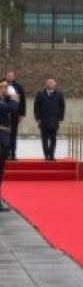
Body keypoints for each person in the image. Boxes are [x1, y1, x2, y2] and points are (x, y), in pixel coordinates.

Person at [0, 80, 21, 210]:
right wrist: (14, 99)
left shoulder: (3, 101)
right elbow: (12, 109)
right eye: (3, 88)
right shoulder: (2, 103)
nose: (5, 90)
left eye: (6, 88)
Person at [33, 78, 65, 161]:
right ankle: (46, 155)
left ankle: (52, 155)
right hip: (43, 120)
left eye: (52, 83)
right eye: (48, 83)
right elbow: (36, 107)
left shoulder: (59, 94)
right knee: (44, 139)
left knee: (53, 139)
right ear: (46, 84)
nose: (50, 84)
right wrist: (38, 118)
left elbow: (62, 107)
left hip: (54, 120)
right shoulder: (40, 94)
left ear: (55, 84)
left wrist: (60, 118)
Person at [5, 70, 24, 161]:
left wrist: (22, 114)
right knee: (4, 134)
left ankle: (13, 154)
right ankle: (5, 154)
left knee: (13, 134)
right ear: (6, 76)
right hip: (3, 115)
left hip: (14, 114)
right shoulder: (2, 85)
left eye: (11, 76)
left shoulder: (19, 87)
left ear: (14, 77)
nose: (9, 77)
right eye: (8, 75)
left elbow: (22, 101)